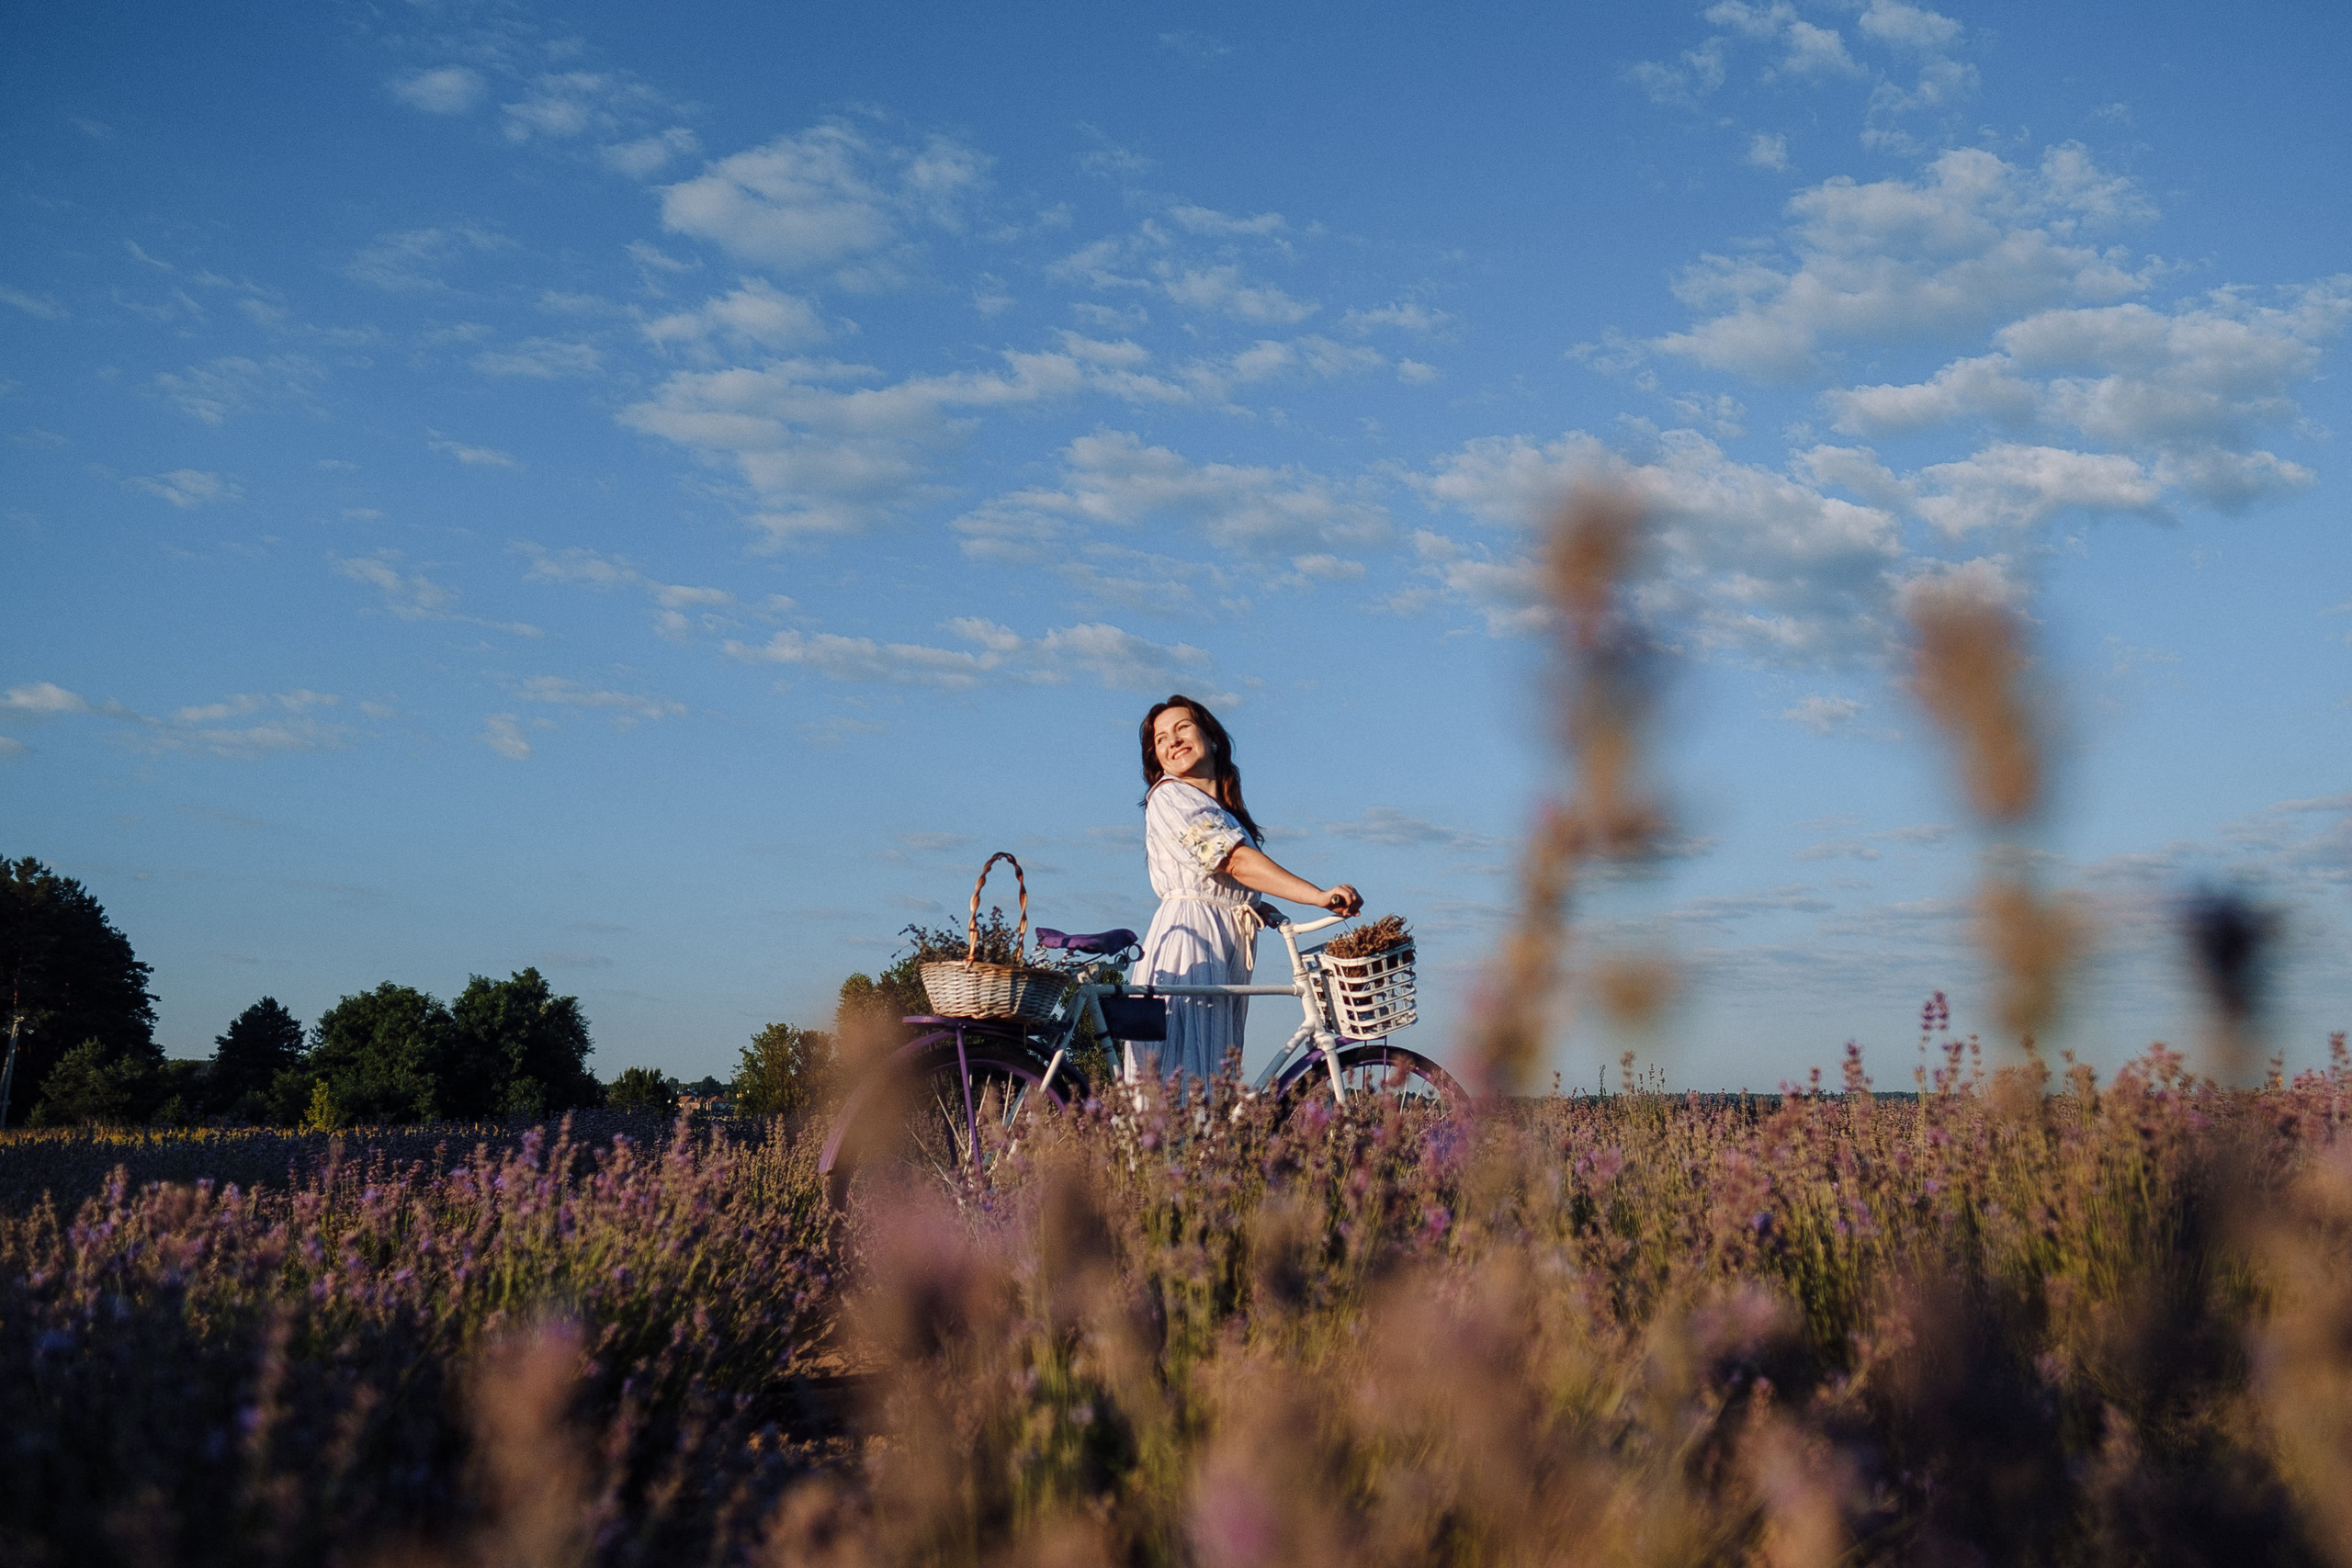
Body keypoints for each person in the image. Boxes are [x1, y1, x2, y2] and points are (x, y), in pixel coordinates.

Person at [1129, 694, 1363, 1085]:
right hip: (1193, 940)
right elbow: (1234, 861)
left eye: (1182, 727)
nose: (1172, 740)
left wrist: (1255, 902)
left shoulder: (1218, 808)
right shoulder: (1171, 795)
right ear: (1157, 758)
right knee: (1185, 1074)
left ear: (1213, 738)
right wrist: (1315, 895)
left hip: (1223, 937)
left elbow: (1224, 876)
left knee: (1210, 1071)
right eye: (1161, 739)